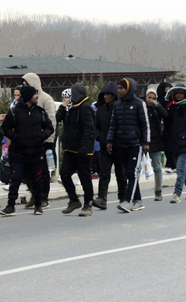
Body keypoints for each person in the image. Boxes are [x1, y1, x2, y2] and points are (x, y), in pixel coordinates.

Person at [1, 85, 54, 216]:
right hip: (19, 152)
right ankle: (10, 206)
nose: (37, 96)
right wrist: (16, 138)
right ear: (28, 96)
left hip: (37, 152)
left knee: (37, 180)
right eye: (34, 94)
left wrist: (41, 137)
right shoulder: (15, 111)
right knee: (15, 179)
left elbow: (49, 127)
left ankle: (38, 205)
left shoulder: (40, 112)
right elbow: (6, 127)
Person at [108, 78, 150, 213]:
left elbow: (145, 124)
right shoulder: (117, 105)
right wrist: (110, 141)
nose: (119, 91)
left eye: (121, 88)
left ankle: (127, 201)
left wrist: (146, 142)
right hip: (121, 144)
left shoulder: (139, 103)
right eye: (118, 88)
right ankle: (138, 200)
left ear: (129, 89)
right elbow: (113, 124)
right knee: (128, 173)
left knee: (132, 172)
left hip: (135, 144)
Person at [57, 83, 96, 216]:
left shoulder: (85, 107)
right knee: (64, 174)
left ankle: (88, 204)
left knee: (85, 177)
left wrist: (85, 147)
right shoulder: (72, 107)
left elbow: (89, 129)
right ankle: (74, 200)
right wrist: (62, 107)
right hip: (71, 148)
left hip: (83, 149)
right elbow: (59, 120)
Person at [21, 73, 57, 207]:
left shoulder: (46, 99)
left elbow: (52, 121)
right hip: (27, 143)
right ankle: (34, 194)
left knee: (43, 171)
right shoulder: (25, 101)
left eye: (26, 84)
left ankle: (43, 197)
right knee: (27, 170)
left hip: (43, 141)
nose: (24, 87)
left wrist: (46, 138)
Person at [92, 82, 124, 210]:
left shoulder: (121, 108)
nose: (105, 97)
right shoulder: (100, 111)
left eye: (108, 94)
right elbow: (96, 128)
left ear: (114, 96)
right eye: (104, 94)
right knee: (104, 173)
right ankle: (102, 198)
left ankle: (123, 198)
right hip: (105, 148)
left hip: (119, 147)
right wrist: (100, 138)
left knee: (121, 174)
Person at [144, 88, 168, 201]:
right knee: (137, 168)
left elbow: (165, 115)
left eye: (153, 98)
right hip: (143, 142)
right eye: (149, 97)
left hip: (155, 141)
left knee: (157, 167)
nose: (151, 100)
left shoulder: (157, 109)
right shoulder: (141, 108)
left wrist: (157, 106)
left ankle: (158, 191)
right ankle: (134, 193)